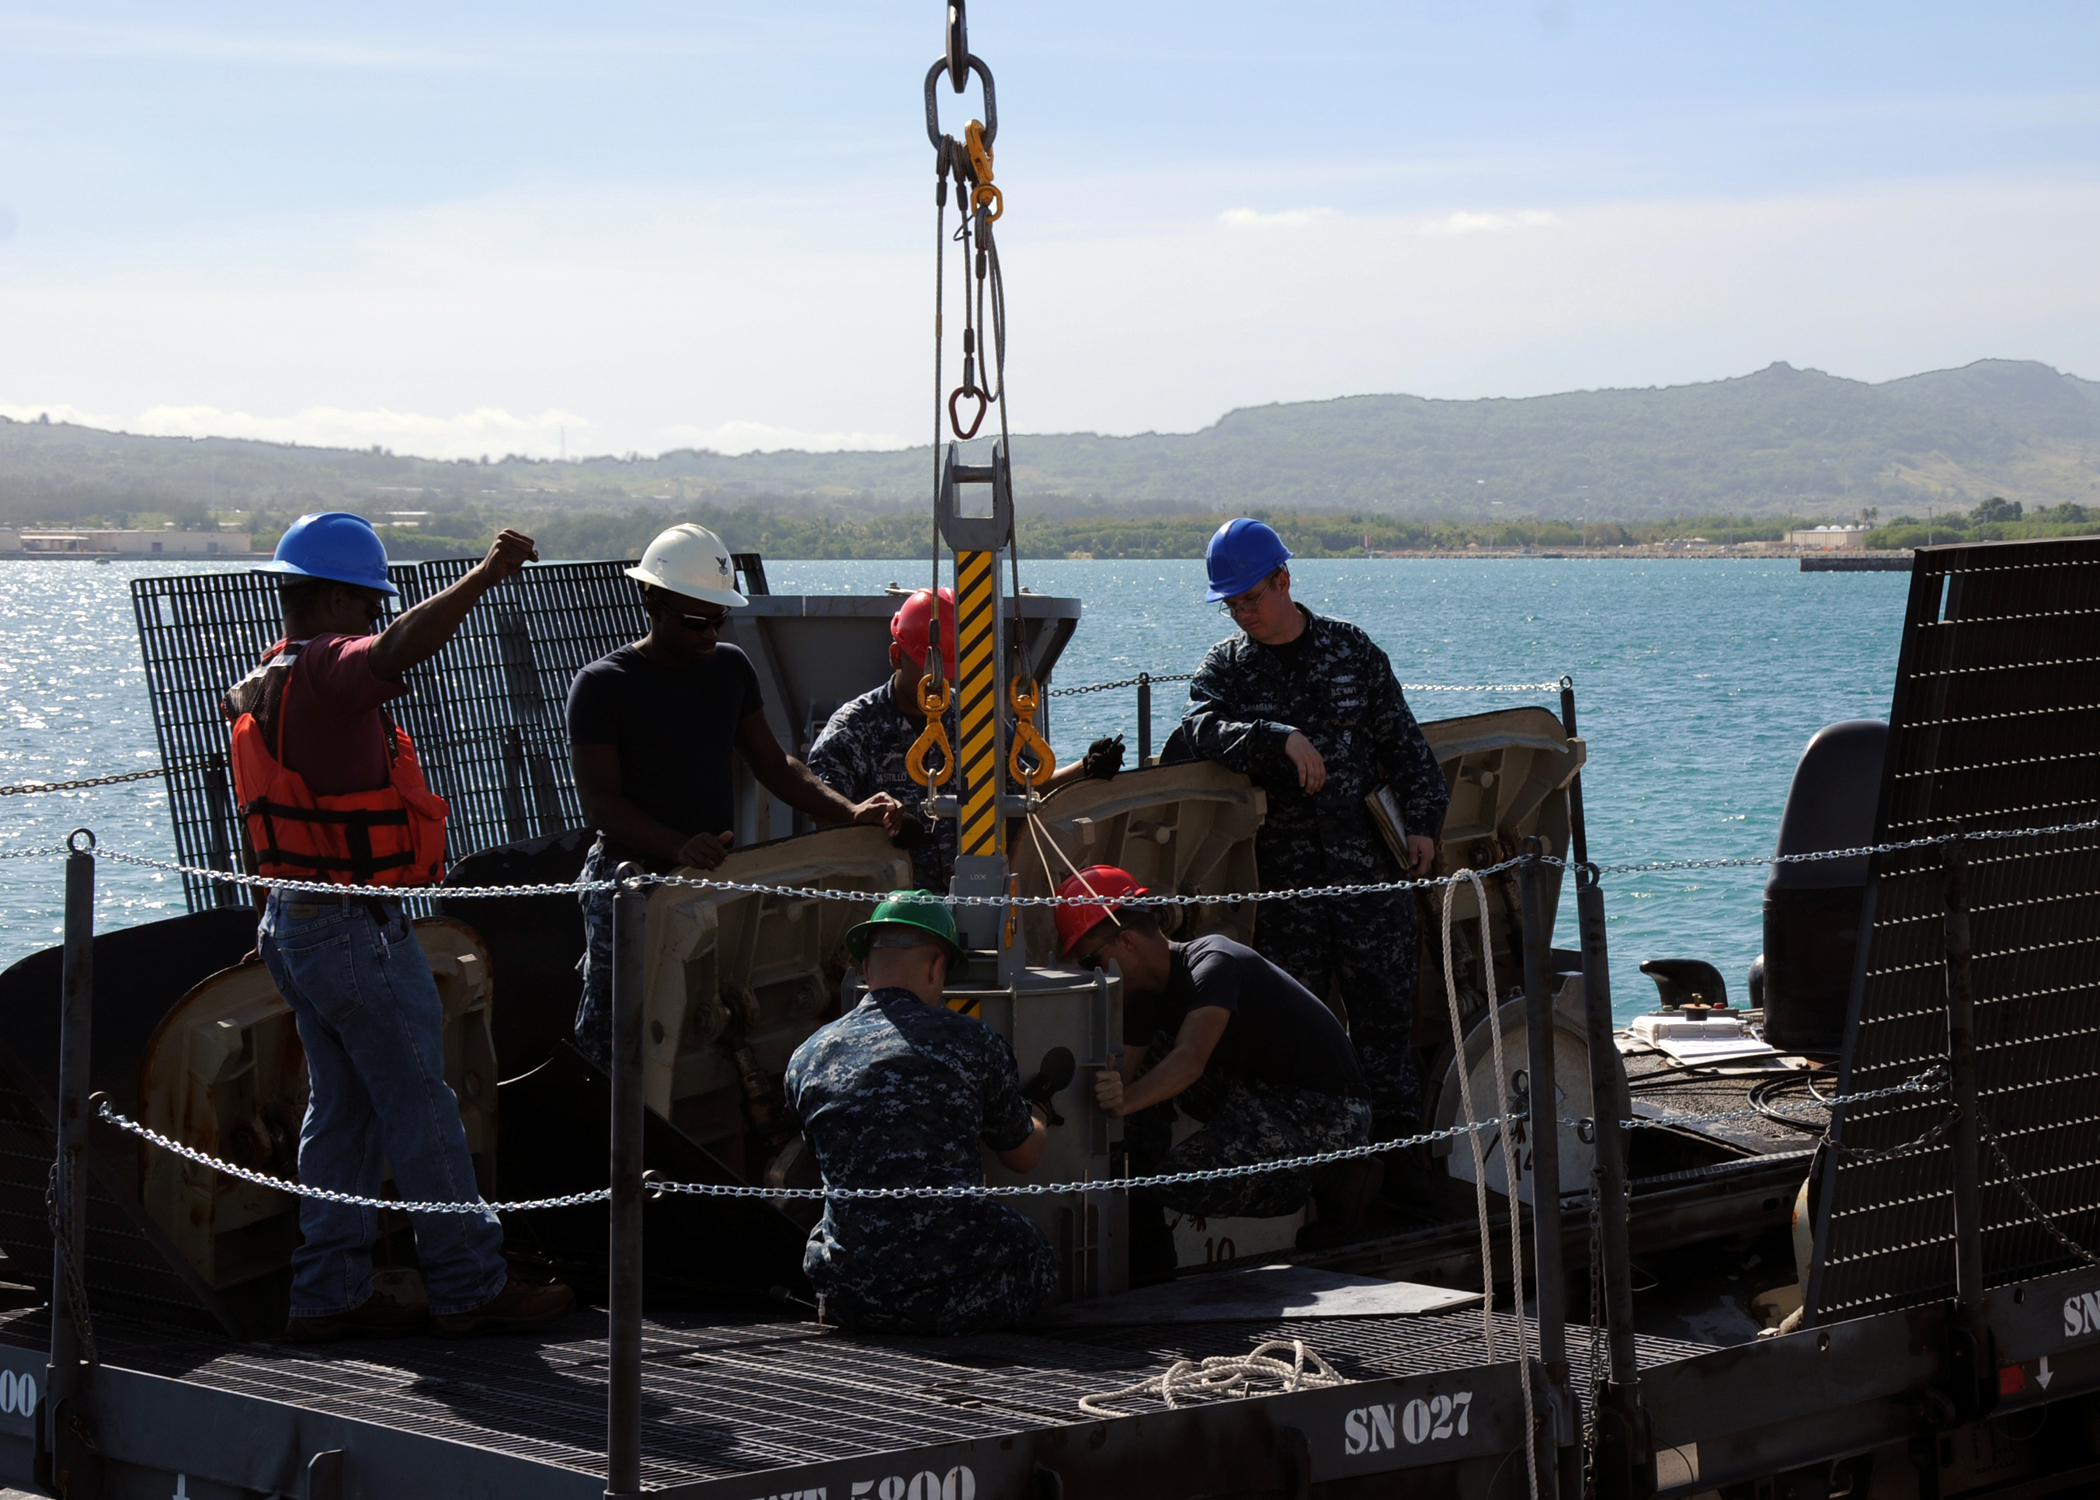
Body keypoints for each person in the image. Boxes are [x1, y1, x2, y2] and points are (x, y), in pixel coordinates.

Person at [225, 511, 573, 1340]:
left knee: (339, 1113)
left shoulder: (265, 679)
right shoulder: (327, 669)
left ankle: (328, 1290)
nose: (377, 618)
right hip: (350, 930)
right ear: (338, 602)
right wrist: (487, 576)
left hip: (292, 922)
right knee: (421, 1106)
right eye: (372, 603)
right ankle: (467, 1282)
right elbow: (391, 653)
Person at [566, 524, 901, 1067]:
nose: (707, 634)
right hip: (629, 884)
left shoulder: (730, 669)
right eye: (694, 620)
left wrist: (851, 812)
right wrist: (678, 846)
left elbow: (774, 765)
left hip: (706, 879)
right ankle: (602, 1136)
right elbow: (601, 806)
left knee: (704, 1023)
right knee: (613, 1028)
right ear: (651, 600)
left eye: (718, 619)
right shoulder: (603, 685)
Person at [1179, 518, 1449, 1140]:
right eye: (1232, 604)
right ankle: (1324, 1165)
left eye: (1251, 597)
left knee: (1385, 1023)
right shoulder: (1227, 669)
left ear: (1284, 581)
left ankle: (1398, 1160)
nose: (1242, 613)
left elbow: (1406, 747)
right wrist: (1277, 737)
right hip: (1287, 885)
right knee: (1297, 1029)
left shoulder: (1351, 651)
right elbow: (1198, 729)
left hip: (1369, 877)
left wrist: (1424, 825)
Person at [1059, 867, 1374, 1276]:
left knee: (1177, 1181)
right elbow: (1128, 1073)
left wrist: (1125, 1101)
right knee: (1143, 1127)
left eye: (1091, 960)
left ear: (1127, 941)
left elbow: (1189, 1060)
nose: (1092, 973)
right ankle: (1144, 1244)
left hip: (1326, 1105)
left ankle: (1330, 1176)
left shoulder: (1214, 961)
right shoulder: (1143, 998)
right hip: (1258, 1091)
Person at [783, 892, 1057, 1334]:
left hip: (853, 1297)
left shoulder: (807, 1056)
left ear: (867, 968)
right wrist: (1038, 1115)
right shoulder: (974, 1043)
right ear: (936, 968)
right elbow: (1022, 1158)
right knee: (1038, 1256)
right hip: (950, 1295)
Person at [806, 586, 1123, 893]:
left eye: (948, 672)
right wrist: (880, 824)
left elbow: (1024, 783)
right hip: (891, 904)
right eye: (929, 669)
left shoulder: (972, 717)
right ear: (897, 657)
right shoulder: (855, 728)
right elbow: (826, 809)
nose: (939, 682)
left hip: (976, 894)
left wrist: (1086, 768)